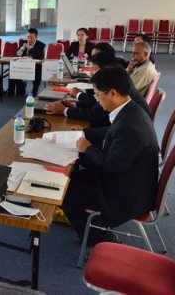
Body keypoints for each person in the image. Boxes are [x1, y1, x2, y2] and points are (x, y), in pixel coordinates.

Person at [61, 66, 159, 246]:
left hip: (125, 194)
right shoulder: (131, 110)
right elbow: (111, 131)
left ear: (113, 93)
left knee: (65, 193)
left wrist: (88, 148)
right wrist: (85, 132)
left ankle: (100, 238)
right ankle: (86, 223)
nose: (97, 101)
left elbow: (112, 164)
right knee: (69, 179)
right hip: (128, 178)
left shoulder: (130, 126)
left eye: (98, 95)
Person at [46, 52, 151, 126]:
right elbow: (96, 105)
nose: (91, 73)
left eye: (93, 69)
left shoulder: (112, 83)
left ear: (104, 68)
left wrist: (64, 110)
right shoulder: (117, 75)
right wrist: (74, 105)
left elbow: (95, 114)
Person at [16, 28, 45, 96]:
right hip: (23, 65)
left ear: (36, 37)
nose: (29, 39)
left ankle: (34, 91)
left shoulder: (41, 45)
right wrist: (22, 49)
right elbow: (17, 54)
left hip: (35, 66)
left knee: (38, 70)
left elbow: (37, 56)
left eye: (31, 37)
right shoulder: (23, 43)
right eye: (28, 37)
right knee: (13, 70)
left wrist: (30, 48)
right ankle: (20, 89)